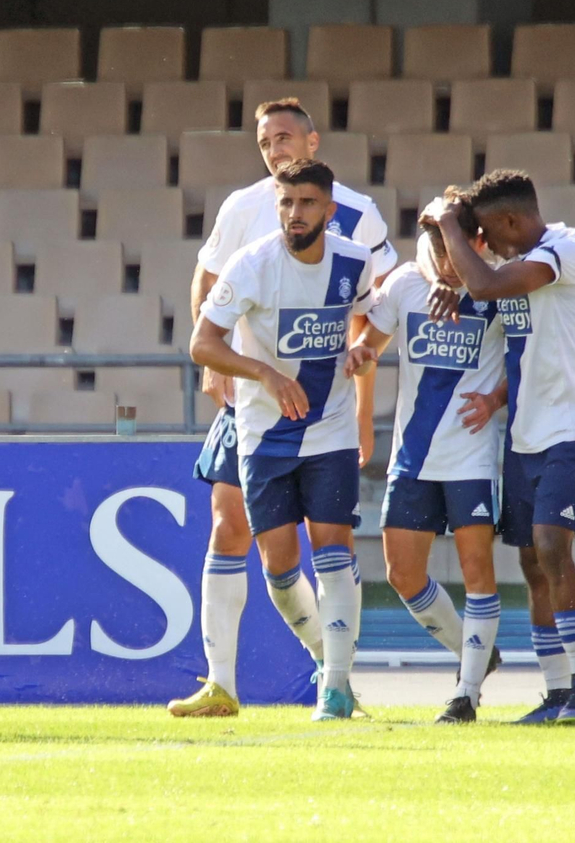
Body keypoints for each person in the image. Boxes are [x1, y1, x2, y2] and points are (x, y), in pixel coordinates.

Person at [171, 98, 394, 718]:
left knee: (331, 542)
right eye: (266, 141)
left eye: (286, 138)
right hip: (253, 404)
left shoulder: (360, 224)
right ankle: (228, 681)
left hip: (326, 413)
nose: (276, 151)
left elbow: (375, 311)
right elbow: (207, 291)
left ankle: (336, 680)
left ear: (314, 143)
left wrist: (363, 400)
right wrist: (230, 370)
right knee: (240, 534)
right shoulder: (245, 217)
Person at [425, 170, 575, 724]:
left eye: (489, 233)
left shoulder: (563, 249)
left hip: (574, 429)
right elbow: (515, 334)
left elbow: (482, 283)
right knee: (532, 562)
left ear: (509, 221)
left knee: (553, 548)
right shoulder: (511, 266)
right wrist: (448, 280)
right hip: (526, 434)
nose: (487, 246)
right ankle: (557, 692)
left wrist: (448, 225)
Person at [347, 188, 507, 724]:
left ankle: (465, 695)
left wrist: (495, 397)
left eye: (455, 247)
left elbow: (533, 359)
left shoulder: (502, 286)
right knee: (402, 574)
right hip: (413, 455)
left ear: (475, 241)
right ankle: (476, 653)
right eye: (439, 249)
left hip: (471, 455)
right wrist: (364, 354)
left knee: (476, 569)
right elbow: (371, 344)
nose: (448, 261)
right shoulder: (406, 284)